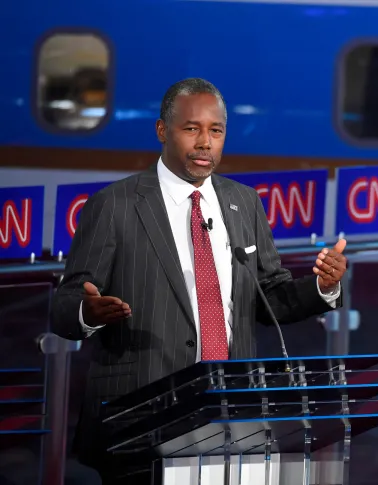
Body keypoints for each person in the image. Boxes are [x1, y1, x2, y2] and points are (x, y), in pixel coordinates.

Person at [50, 78, 347, 483]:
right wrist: (88, 311)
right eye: (192, 129)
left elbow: (271, 296)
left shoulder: (243, 203)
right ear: (162, 131)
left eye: (216, 131)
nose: (205, 142)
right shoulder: (115, 204)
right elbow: (64, 305)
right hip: (142, 418)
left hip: (233, 417)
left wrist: (323, 286)